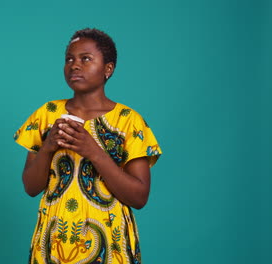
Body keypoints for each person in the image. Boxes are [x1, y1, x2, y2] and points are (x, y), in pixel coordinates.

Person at [14, 28, 162, 264]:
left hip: (110, 245)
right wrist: (48, 147)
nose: (74, 65)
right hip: (54, 242)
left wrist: (93, 152)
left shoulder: (129, 121)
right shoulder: (47, 114)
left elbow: (139, 197)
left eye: (86, 59)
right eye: (69, 59)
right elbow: (31, 187)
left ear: (108, 69)